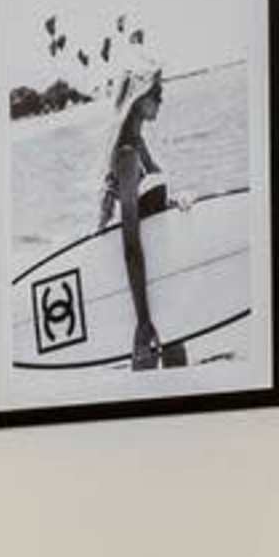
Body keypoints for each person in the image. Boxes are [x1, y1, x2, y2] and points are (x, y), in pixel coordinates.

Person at [96, 59, 176, 371]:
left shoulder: (139, 144)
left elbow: (152, 205)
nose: (161, 98)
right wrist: (143, 319)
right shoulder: (128, 154)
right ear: (139, 97)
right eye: (156, 92)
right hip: (144, 288)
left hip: (159, 275)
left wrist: (177, 201)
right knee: (159, 363)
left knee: (176, 356)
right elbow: (130, 242)